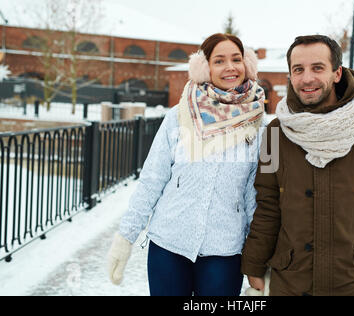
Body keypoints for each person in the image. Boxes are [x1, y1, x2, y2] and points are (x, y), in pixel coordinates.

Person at [241, 35, 354, 296]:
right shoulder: (276, 134)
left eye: (318, 68)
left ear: (337, 73)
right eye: (298, 70)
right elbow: (267, 205)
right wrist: (254, 265)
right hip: (292, 282)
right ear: (290, 76)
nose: (307, 79)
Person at [107, 33, 266, 296]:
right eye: (219, 60)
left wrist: (259, 264)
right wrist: (125, 238)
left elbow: (259, 199)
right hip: (169, 244)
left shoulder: (263, 127)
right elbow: (152, 180)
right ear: (205, 68)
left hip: (224, 250)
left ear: (246, 64)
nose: (230, 67)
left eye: (236, 59)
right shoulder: (179, 116)